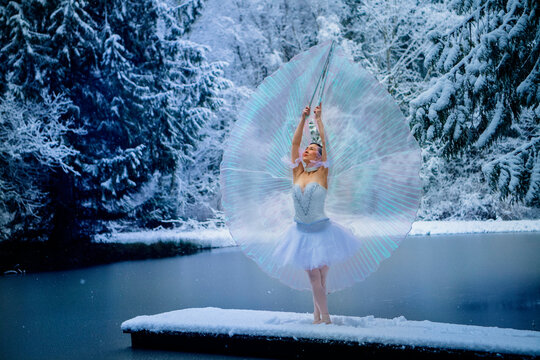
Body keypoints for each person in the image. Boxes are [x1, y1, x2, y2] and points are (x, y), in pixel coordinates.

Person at [272, 103, 364, 325]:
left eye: (313, 149)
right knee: (316, 279)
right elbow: (294, 143)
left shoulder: (322, 173)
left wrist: (319, 119)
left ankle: (323, 319)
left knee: (319, 279)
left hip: (323, 232)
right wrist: (303, 119)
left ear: (321, 157)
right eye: (307, 149)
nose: (307, 150)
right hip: (301, 233)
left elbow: (325, 143)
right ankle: (321, 317)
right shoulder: (297, 172)